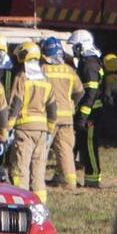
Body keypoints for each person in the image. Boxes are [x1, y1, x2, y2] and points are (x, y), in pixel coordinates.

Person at [8, 42, 55, 193]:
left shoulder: (22, 77)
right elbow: (53, 107)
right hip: (41, 131)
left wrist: (8, 126)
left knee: (20, 169)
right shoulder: (45, 79)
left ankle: (21, 202)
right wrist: (50, 129)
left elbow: (16, 102)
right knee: (38, 171)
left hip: (24, 129)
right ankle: (39, 205)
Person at [41, 37, 80, 189]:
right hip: (67, 118)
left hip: (47, 117)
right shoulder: (70, 70)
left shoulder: (43, 69)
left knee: (41, 150)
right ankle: (70, 183)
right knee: (65, 151)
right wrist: (72, 105)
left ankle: (36, 180)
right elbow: (79, 91)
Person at [72, 31, 106, 187]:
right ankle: (90, 177)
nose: (74, 50)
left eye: (75, 47)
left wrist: (83, 116)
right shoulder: (89, 61)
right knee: (85, 145)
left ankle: (93, 179)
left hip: (92, 113)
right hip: (91, 111)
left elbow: (91, 93)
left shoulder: (89, 64)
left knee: (90, 145)